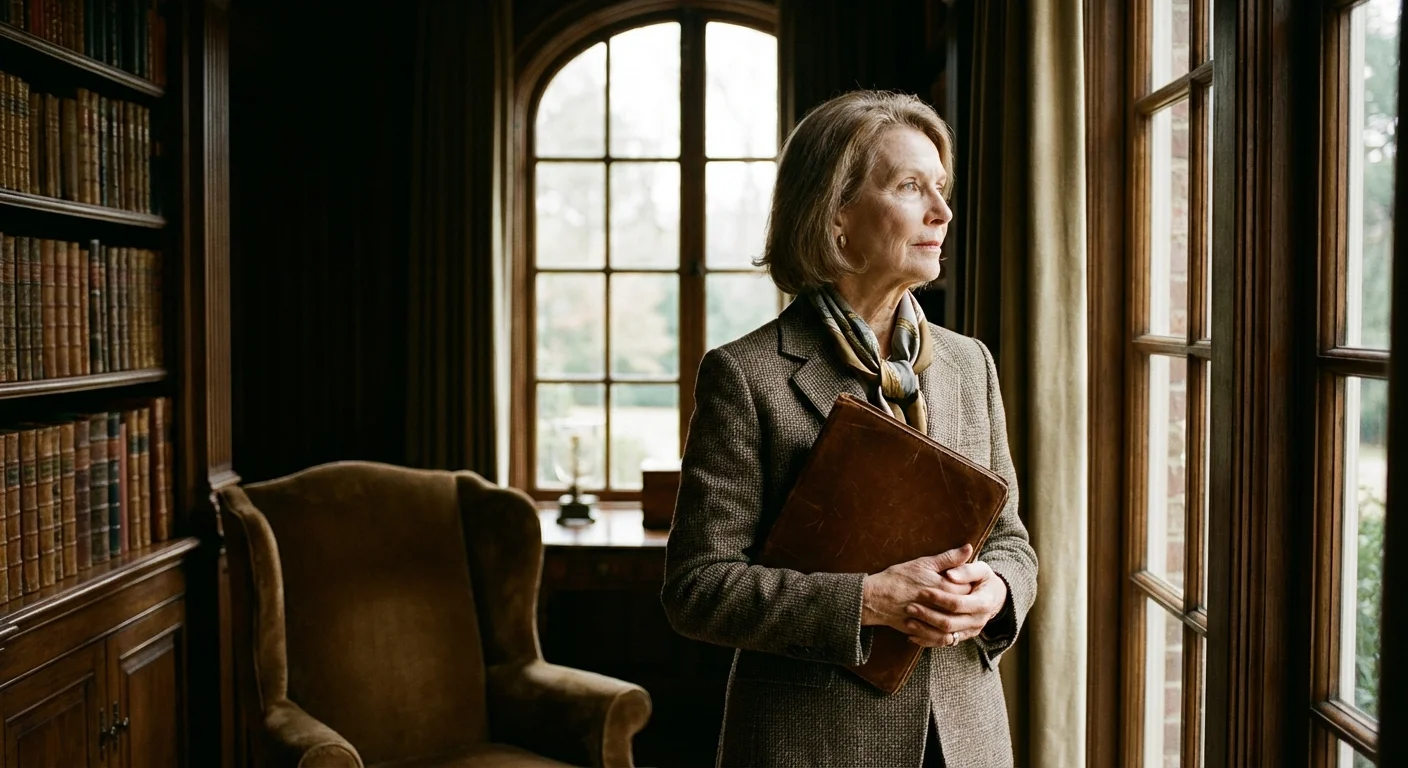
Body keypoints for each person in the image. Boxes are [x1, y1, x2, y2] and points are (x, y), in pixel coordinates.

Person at [660, 90, 1038, 768]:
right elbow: (699, 588)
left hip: (967, 738)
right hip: (811, 742)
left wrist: (998, 591)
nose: (942, 212)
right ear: (837, 215)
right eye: (910, 186)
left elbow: (1009, 538)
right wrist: (867, 601)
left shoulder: (968, 362)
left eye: (942, 188)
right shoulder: (745, 376)